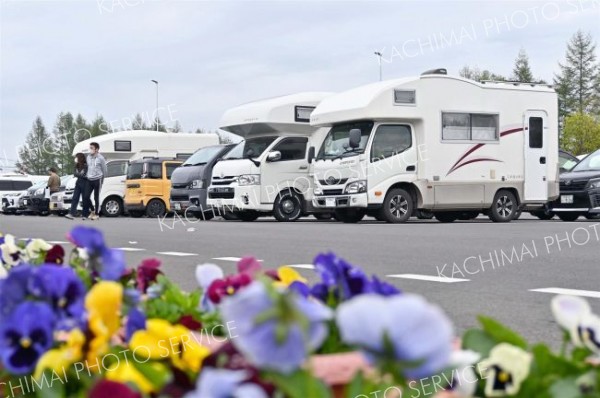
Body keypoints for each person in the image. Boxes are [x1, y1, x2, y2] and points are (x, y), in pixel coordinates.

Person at [82, 142, 107, 220]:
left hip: (98, 179)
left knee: (96, 197)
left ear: (96, 149)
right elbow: (88, 168)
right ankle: (92, 210)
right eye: (90, 148)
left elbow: (105, 170)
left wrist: (102, 180)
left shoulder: (101, 158)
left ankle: (96, 214)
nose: (90, 149)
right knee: (86, 196)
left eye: (92, 148)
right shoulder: (88, 157)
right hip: (89, 179)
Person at [65, 153, 88, 220]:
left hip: (85, 183)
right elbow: (75, 174)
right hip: (78, 183)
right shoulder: (76, 165)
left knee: (84, 199)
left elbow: (84, 175)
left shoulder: (86, 166)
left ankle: (85, 214)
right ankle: (71, 213)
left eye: (77, 157)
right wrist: (79, 174)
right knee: (75, 198)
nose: (76, 159)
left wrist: (78, 174)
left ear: (80, 158)